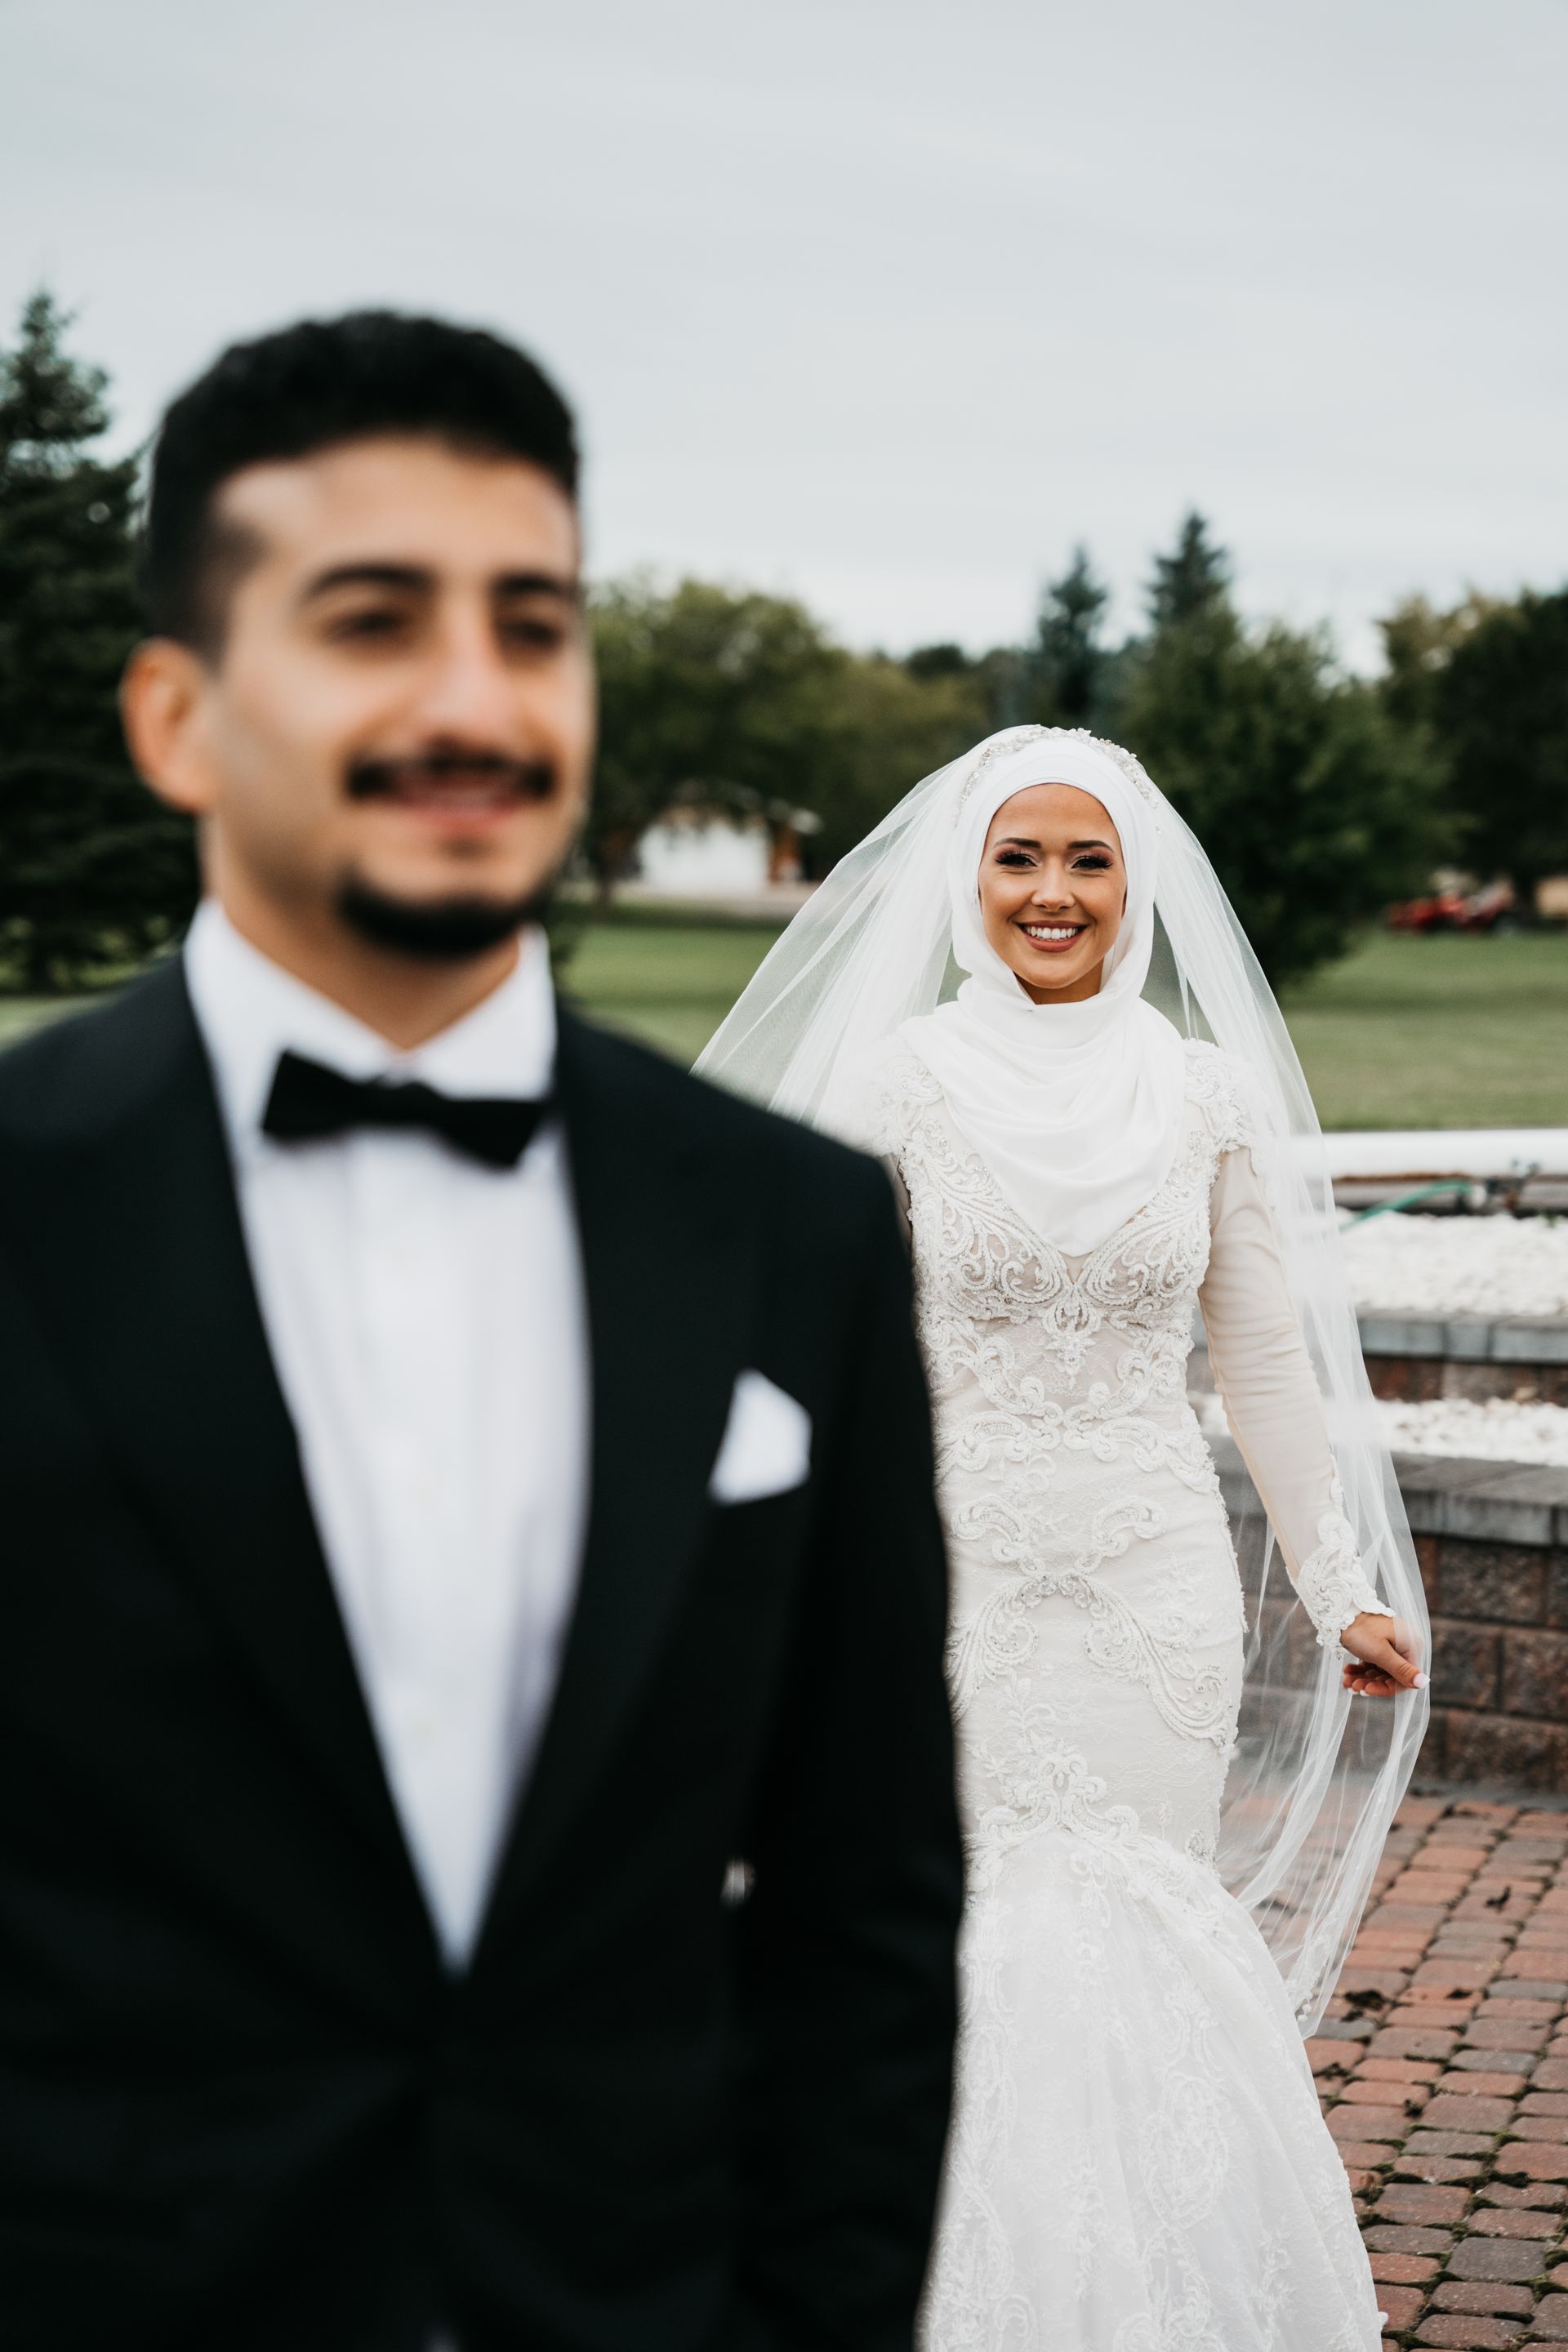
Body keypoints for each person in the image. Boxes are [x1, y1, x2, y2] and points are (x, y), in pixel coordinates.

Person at [0, 311, 963, 2352]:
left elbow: (862, 1901)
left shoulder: (799, 1229)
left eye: (534, 626)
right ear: (174, 719)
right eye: (372, 621)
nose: (477, 699)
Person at [698, 727, 1432, 2351]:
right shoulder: (898, 1086)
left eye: (1087, 860)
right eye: (1019, 857)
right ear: (968, 881)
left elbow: (1262, 1361)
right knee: (948, 1922)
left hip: (1154, 1586)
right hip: (942, 1574)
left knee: (1126, 1919)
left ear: (1136, 883)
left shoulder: (1201, 1094)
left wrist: (1337, 1583)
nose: (1053, 891)